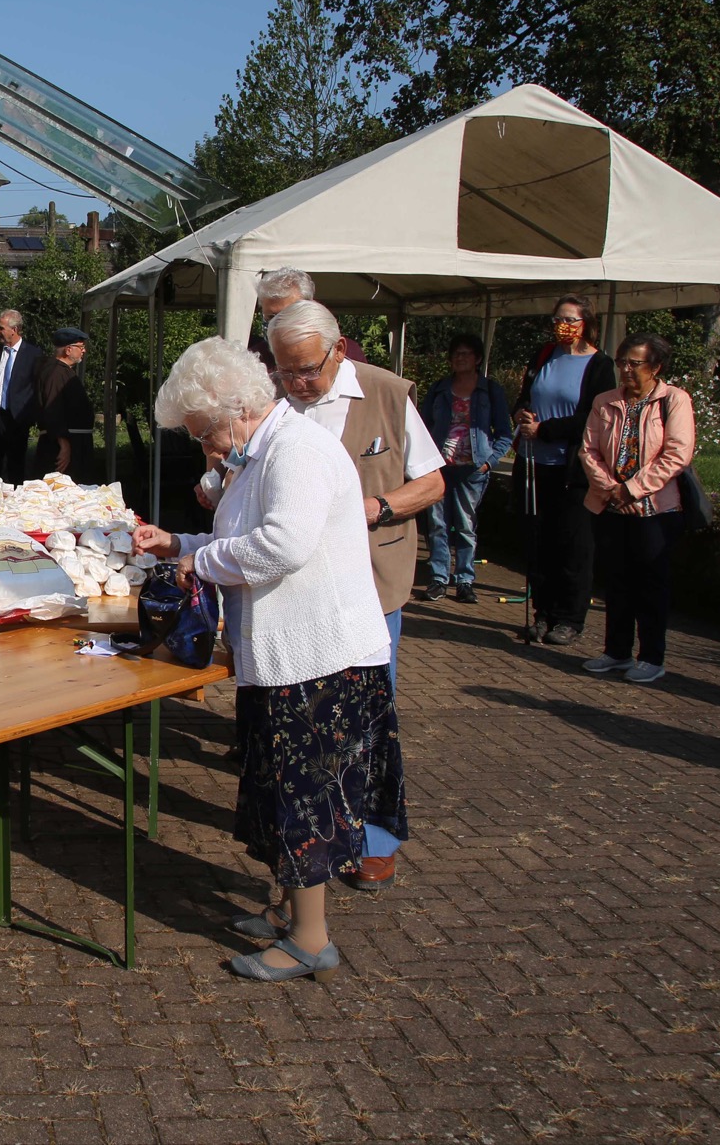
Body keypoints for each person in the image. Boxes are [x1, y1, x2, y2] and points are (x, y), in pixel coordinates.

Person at [134, 338, 405, 983]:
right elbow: (242, 539)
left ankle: (312, 939)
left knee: (302, 794)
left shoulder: (297, 451)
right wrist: (180, 540)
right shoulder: (262, 454)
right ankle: (289, 909)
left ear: (233, 409)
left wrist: (197, 560)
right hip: (287, 654)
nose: (207, 448)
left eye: (205, 434)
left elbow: (283, 545)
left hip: (320, 657)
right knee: (279, 788)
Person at [264, 299, 441, 892]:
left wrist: (378, 507)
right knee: (312, 717)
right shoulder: (278, 400)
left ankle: (377, 841)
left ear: (339, 349)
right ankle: (320, 833)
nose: (296, 383)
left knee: (371, 713)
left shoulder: (388, 393)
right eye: (285, 371)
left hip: (372, 578)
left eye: (306, 370)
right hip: (299, 587)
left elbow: (434, 480)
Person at [578, 334, 695, 684]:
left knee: (651, 584)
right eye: (622, 362)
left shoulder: (673, 400)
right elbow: (588, 450)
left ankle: (652, 656)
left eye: (634, 363)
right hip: (611, 507)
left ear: (656, 367)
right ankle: (616, 651)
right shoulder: (605, 401)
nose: (626, 370)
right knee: (616, 582)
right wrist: (611, 490)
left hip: (656, 511)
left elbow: (677, 453)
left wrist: (633, 489)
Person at [513, 295, 616, 646]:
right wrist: (523, 415)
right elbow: (525, 396)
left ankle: (569, 618)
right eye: (558, 318)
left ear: (586, 322)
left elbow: (594, 416)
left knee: (573, 544)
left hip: (572, 468)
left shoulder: (600, 365)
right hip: (535, 463)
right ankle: (543, 613)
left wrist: (546, 430)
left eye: (570, 319)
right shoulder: (544, 355)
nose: (563, 325)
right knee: (540, 542)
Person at [419, 333, 513, 604]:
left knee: (465, 525)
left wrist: (489, 462)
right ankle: (438, 579)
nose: (460, 358)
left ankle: (464, 580)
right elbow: (423, 426)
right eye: (456, 354)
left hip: (472, 468)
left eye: (466, 354)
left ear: (478, 359)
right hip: (439, 466)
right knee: (437, 524)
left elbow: (505, 433)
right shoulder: (439, 389)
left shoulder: (490, 390)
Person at [247, 267, 366, 371]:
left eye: (287, 314)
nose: (278, 323)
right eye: (271, 317)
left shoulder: (348, 353)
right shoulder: (254, 362)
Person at [0, 309, 41, 484]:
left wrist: (29, 416)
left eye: (1, 328)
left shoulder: (33, 354)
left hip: (17, 419)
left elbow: (37, 387)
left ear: (14, 329)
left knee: (16, 466)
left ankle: (14, 504)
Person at [32, 326, 93, 480]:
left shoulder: (63, 371)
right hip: (60, 444)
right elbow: (53, 409)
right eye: (81, 347)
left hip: (75, 441)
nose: (83, 351)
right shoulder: (56, 373)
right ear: (68, 350)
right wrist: (64, 445)